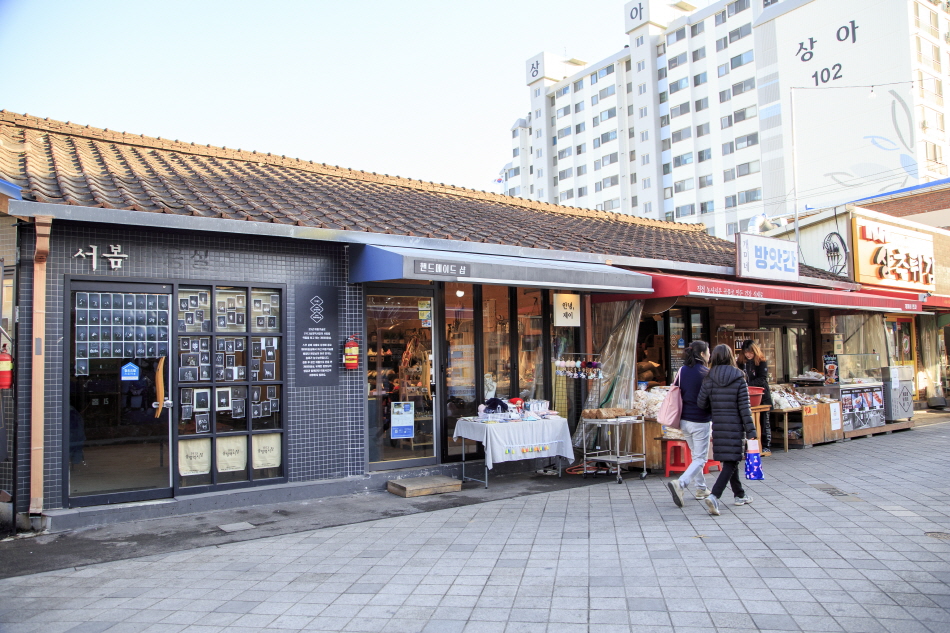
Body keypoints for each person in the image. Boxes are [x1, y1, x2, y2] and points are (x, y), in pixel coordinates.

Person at [697, 344, 757, 516]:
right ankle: (715, 496)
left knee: (730, 461)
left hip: (718, 424)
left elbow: (701, 404)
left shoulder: (708, 378)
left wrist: (715, 408)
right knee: (732, 461)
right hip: (735, 425)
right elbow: (745, 408)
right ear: (731, 356)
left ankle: (740, 495)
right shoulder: (739, 377)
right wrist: (751, 431)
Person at [666, 340, 712, 508]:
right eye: (708, 351)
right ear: (702, 354)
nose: (709, 354)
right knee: (700, 458)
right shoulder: (706, 373)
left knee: (695, 455)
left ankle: (701, 488)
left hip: (684, 419)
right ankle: (681, 483)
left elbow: (676, 389)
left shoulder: (683, 370)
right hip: (700, 420)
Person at [739, 340, 772, 456]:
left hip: (761, 395)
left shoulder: (761, 362)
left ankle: (766, 445)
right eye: (746, 352)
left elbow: (762, 379)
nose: (748, 355)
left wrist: (748, 384)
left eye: (751, 352)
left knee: (764, 420)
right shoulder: (741, 362)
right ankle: (750, 446)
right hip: (746, 395)